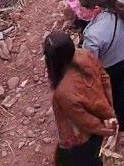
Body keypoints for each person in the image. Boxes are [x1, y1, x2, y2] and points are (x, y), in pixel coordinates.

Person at [44, 31, 116, 166]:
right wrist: (110, 113)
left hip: (80, 137)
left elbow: (84, 121)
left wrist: (104, 129)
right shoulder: (85, 55)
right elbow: (105, 79)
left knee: (78, 159)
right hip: (100, 115)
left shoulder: (63, 92)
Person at [79, 0, 124, 146]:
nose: (80, 11)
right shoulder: (120, 4)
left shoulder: (92, 33)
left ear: (96, 9)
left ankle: (103, 126)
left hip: (107, 69)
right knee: (122, 96)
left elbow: (89, 61)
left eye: (83, 8)